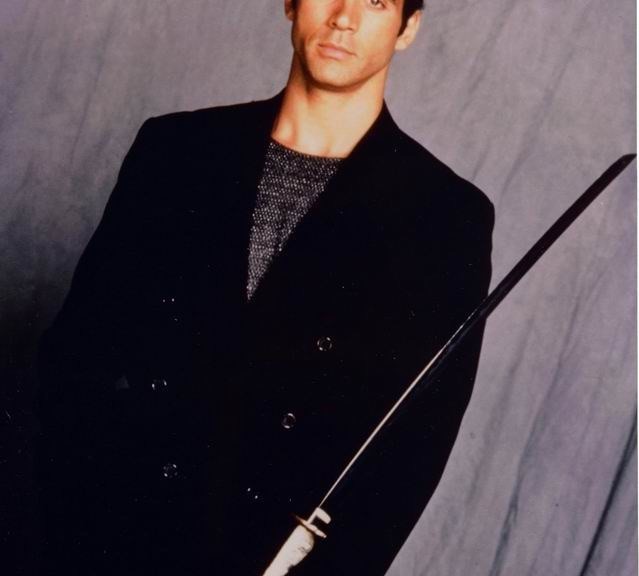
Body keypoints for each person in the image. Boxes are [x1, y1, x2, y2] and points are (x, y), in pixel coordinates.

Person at [36, 0, 494, 574]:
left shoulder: (445, 217)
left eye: (377, 0)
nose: (344, 16)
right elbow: (74, 361)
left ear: (408, 28)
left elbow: (409, 459)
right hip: (111, 542)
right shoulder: (176, 149)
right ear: (290, 4)